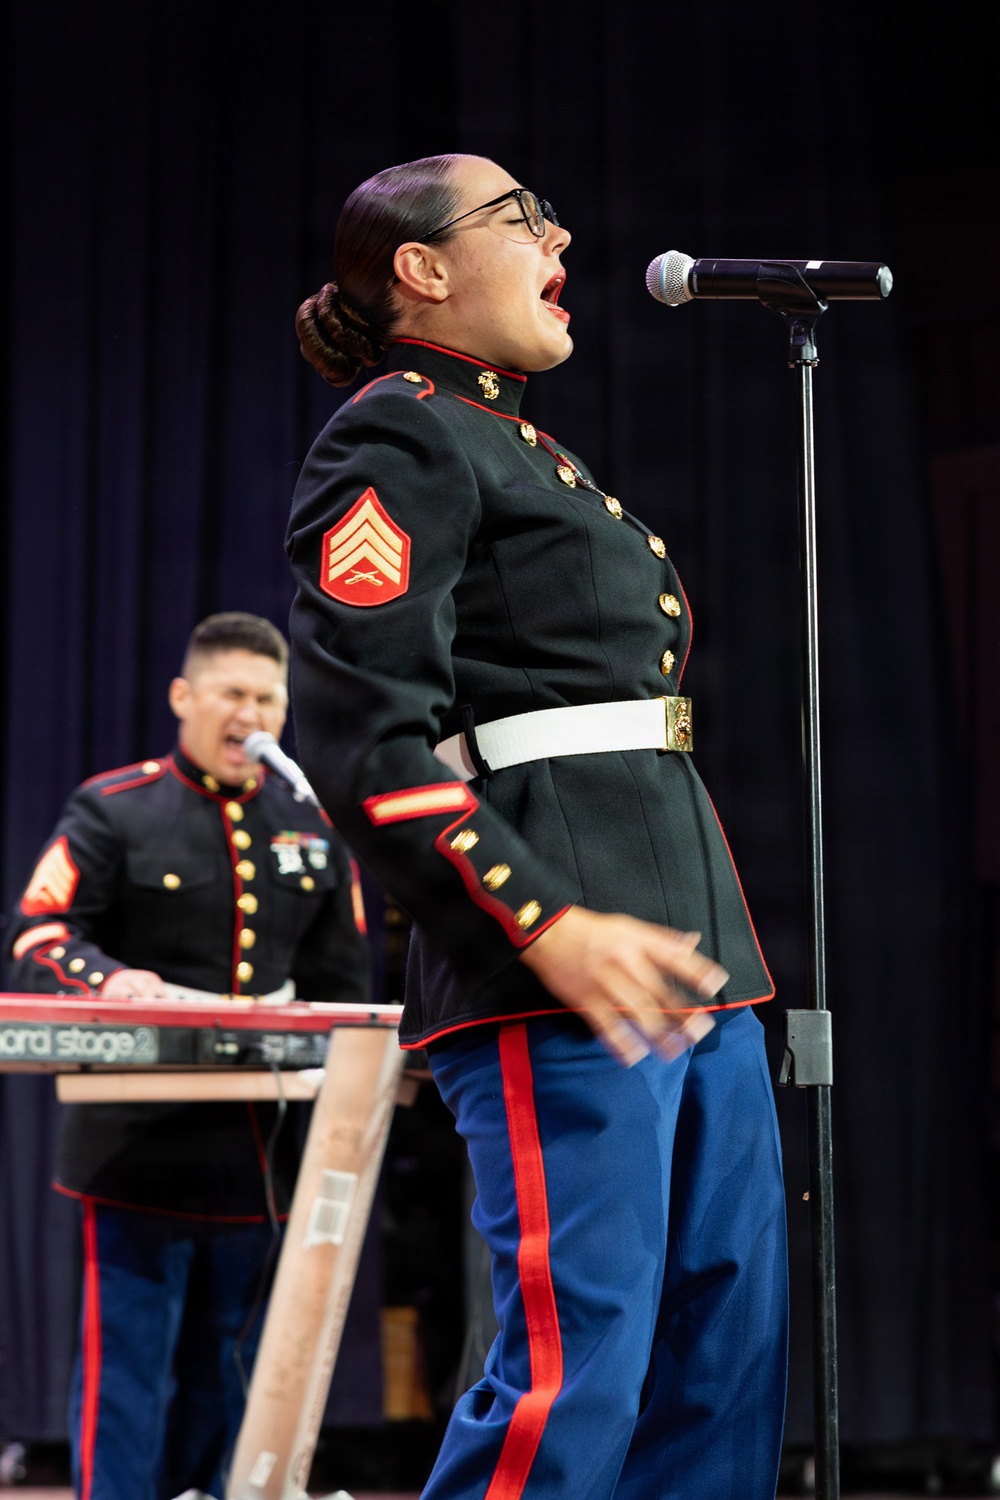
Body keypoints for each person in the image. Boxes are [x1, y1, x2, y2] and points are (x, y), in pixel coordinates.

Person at [286, 156, 787, 1500]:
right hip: (551, 951)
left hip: (689, 952)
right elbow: (362, 741)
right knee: (582, 1367)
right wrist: (543, 922)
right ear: (424, 270)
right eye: (523, 215)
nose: (560, 230)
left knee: (721, 1361)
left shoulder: (530, 447)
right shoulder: (400, 433)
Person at [6, 612, 370, 1500]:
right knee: (126, 1380)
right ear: (184, 697)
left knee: (236, 1378)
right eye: (233, 694)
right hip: (136, 1149)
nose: (252, 714)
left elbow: (343, 985)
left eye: (268, 699)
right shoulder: (115, 807)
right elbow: (40, 932)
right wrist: (114, 981)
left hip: (261, 1155)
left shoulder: (311, 826)